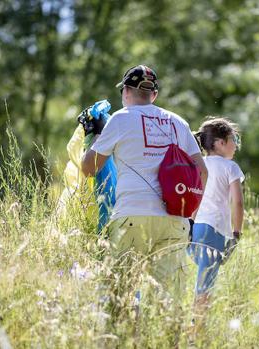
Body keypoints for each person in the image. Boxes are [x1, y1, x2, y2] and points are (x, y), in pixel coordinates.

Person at [80, 64, 208, 300]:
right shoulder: (179, 122)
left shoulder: (119, 119)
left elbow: (89, 168)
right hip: (175, 218)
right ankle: (169, 338)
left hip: (132, 215)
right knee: (169, 302)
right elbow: (202, 171)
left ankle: (128, 336)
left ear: (125, 92)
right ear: (154, 95)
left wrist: (96, 133)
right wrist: (190, 214)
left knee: (123, 297)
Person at [188, 117, 244, 331]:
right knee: (205, 285)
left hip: (194, 227)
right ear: (220, 143)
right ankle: (197, 332)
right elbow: (237, 203)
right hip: (215, 231)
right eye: (233, 139)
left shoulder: (197, 164)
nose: (236, 144)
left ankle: (195, 328)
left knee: (201, 279)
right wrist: (236, 233)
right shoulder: (230, 167)